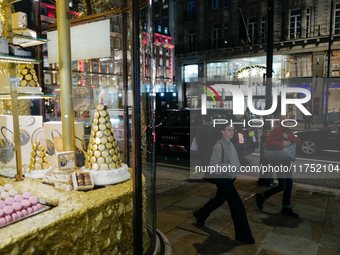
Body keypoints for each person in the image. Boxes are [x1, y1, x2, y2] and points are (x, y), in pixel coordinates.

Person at [193, 122, 255, 244]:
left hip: (229, 178)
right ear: (222, 131)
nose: (232, 132)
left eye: (233, 130)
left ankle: (200, 214)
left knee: (219, 200)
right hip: (223, 179)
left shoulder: (230, 144)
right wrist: (228, 166)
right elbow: (213, 166)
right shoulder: (219, 145)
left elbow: (235, 162)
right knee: (237, 206)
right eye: (229, 130)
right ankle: (244, 235)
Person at [255, 113, 301, 217]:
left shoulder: (287, 130)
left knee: (289, 184)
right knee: (282, 185)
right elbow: (268, 144)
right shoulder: (276, 131)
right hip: (278, 161)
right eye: (283, 118)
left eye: (286, 118)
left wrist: (288, 137)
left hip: (286, 161)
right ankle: (262, 196)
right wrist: (282, 144)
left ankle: (286, 207)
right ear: (278, 120)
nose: (286, 120)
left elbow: (297, 142)